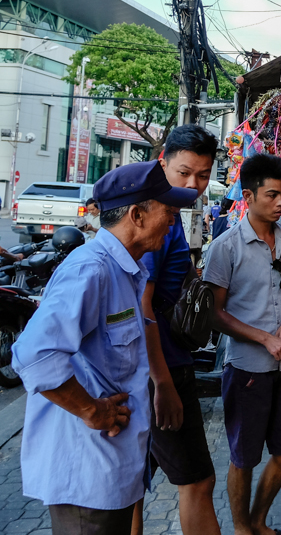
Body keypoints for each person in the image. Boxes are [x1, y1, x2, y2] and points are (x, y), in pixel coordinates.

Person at [11, 161, 197, 535]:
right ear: (138, 215)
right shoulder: (90, 270)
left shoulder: (126, 269)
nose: (174, 224)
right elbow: (35, 354)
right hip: (86, 475)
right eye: (169, 214)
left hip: (111, 469)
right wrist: (91, 410)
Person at [204, 153, 281, 535]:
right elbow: (214, 314)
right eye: (272, 195)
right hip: (247, 368)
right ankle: (241, 528)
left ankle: (258, 520)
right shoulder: (225, 247)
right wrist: (265, 337)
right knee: (243, 458)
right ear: (248, 196)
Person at [131, 126, 221, 535]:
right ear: (163, 159)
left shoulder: (166, 211)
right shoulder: (154, 216)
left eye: (203, 175)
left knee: (132, 483)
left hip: (151, 366)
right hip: (162, 369)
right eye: (185, 172)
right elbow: (142, 304)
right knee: (198, 481)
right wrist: (162, 383)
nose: (193, 184)